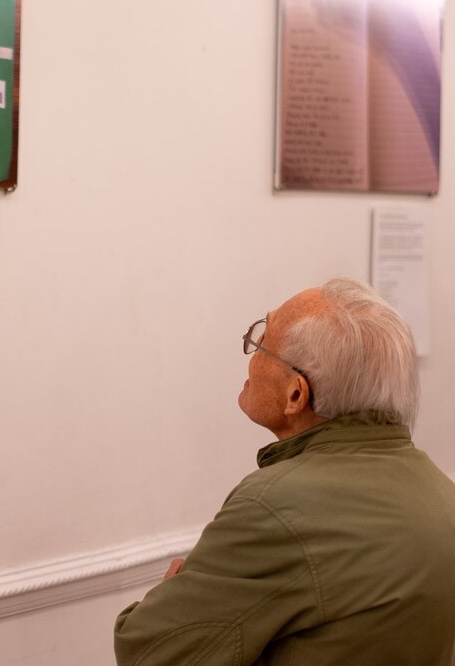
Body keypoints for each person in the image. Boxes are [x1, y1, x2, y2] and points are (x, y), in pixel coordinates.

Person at [114, 277, 455, 666]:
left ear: (296, 394)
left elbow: (147, 649)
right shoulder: (441, 492)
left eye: (261, 343)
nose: (250, 356)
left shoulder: (274, 505)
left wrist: (173, 591)